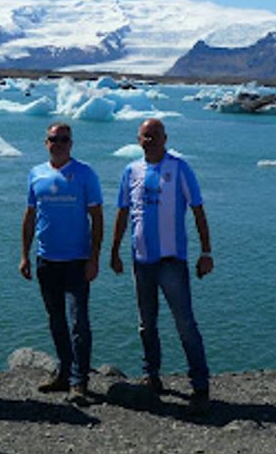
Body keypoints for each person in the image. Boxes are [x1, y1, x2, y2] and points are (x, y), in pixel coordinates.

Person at [110, 118, 213, 415]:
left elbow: (197, 210)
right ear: (138, 139)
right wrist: (114, 250)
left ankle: (200, 384)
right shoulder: (131, 171)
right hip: (141, 260)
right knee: (146, 323)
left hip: (172, 261)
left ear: (165, 137)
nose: (150, 139)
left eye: (155, 134)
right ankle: (151, 376)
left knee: (185, 324)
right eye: (145, 135)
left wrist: (206, 252)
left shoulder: (179, 168)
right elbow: (122, 212)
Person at [20, 122, 103, 405]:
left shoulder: (85, 174)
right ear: (46, 143)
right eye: (54, 139)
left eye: (64, 140)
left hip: (77, 261)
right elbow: (30, 216)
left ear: (71, 143)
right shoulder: (36, 174)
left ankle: (80, 381)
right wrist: (24, 255)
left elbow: (97, 217)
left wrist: (94, 258)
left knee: (79, 321)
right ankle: (64, 373)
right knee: (56, 320)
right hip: (46, 259)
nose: (59, 144)